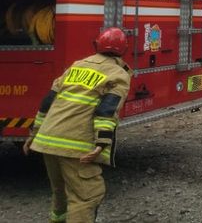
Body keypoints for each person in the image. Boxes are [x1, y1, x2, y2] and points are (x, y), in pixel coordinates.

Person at [23, 27, 132, 223]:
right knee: (87, 197)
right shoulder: (118, 74)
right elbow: (107, 109)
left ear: (96, 44)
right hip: (76, 146)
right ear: (124, 50)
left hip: (47, 141)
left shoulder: (76, 67)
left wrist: (33, 134)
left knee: (61, 193)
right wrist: (102, 142)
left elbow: (48, 102)